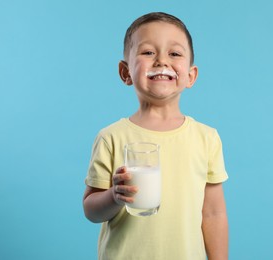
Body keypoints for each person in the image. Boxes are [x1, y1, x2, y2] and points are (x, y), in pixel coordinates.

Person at [83, 12, 229, 260]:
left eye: (174, 53)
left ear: (191, 75)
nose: (162, 61)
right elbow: (91, 211)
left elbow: (213, 214)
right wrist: (113, 196)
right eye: (148, 52)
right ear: (125, 72)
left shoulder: (206, 138)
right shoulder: (111, 137)